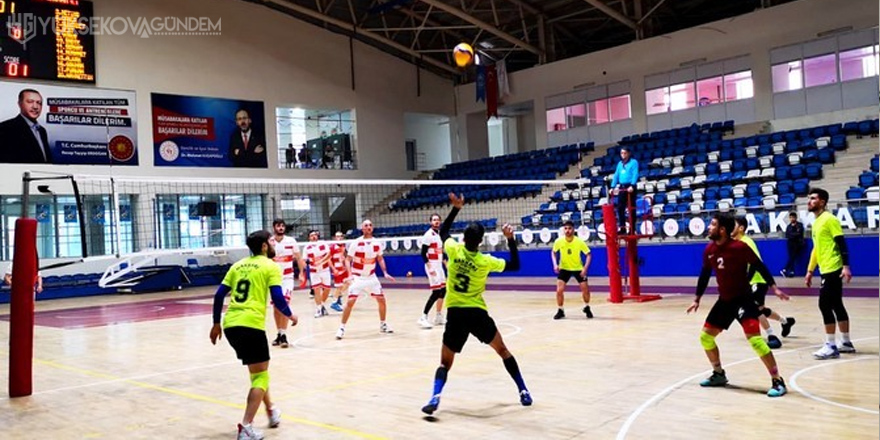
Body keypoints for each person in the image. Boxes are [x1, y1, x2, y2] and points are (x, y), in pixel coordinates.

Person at [421, 193, 531, 415]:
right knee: (503, 350)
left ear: (463, 239)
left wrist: (456, 208)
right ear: (480, 242)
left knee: (444, 363)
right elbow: (515, 265)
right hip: (477, 313)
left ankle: (435, 397)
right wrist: (510, 238)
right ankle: (523, 391)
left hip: (456, 315)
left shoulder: (453, 250)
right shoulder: (485, 261)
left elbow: (442, 233)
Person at [686, 214, 789, 398]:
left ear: (722, 230)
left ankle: (778, 380)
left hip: (744, 300)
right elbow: (704, 274)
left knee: (756, 341)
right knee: (705, 337)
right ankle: (718, 374)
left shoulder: (740, 247)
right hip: (724, 301)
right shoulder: (709, 249)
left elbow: (760, 266)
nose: (709, 227)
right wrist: (697, 298)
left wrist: (774, 288)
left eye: (713, 224)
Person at [210, 230, 298, 440]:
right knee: (261, 375)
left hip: (231, 325)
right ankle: (247, 426)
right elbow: (277, 297)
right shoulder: (271, 266)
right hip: (251, 325)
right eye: (270, 240)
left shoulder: (237, 265)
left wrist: (215, 324)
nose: (273, 243)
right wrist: (291, 315)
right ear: (265, 246)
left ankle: (271, 411)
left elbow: (219, 294)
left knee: (257, 372)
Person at [805, 188, 855, 360]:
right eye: (809, 198)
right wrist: (810, 270)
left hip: (833, 268)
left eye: (813, 198)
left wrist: (846, 266)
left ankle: (831, 345)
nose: (809, 201)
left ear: (822, 202)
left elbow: (841, 243)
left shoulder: (829, 219)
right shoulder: (816, 222)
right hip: (824, 269)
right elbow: (816, 249)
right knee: (836, 304)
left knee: (824, 305)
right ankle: (846, 343)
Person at [732, 217, 795, 349]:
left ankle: (771, 336)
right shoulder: (736, 243)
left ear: (741, 228)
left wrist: (747, 280)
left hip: (757, 280)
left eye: (734, 225)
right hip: (751, 281)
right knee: (760, 308)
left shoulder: (747, 242)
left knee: (754, 309)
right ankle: (785, 322)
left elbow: (756, 264)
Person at [335, 219, 395, 339]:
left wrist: (385, 272)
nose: (368, 227)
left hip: (372, 277)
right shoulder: (356, 243)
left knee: (381, 300)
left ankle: (383, 324)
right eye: (366, 225)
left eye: (370, 225)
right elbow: (348, 260)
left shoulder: (376, 243)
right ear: (362, 229)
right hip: (357, 277)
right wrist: (350, 274)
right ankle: (341, 327)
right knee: (350, 302)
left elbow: (380, 259)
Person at [268, 219, 305, 348]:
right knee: (276, 307)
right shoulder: (269, 242)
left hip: (287, 278)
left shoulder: (291, 241)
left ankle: (284, 335)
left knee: (284, 303)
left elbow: (299, 258)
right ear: (274, 228)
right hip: (273, 279)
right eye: (278, 226)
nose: (281, 228)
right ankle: (279, 333)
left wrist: (301, 273)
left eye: (283, 226)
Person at [550, 220, 593, 320]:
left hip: (578, 268)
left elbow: (588, 255)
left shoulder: (579, 242)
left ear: (573, 230)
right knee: (559, 290)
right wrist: (555, 264)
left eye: (569, 228)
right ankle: (560, 310)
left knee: (585, 290)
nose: (567, 230)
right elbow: (553, 252)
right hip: (564, 268)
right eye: (565, 228)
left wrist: (585, 268)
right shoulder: (559, 241)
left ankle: (587, 307)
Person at [0, 89, 52, 164]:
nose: (35, 106)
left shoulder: (42, 131)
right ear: (20, 104)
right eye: (30, 102)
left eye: (39, 103)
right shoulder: (5, 128)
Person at [418, 213, 447, 329]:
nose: (436, 221)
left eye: (438, 220)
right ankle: (423, 317)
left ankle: (438, 316)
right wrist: (429, 267)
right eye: (434, 220)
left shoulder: (440, 235)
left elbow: (442, 252)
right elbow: (423, 253)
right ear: (431, 222)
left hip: (439, 265)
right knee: (436, 292)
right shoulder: (428, 235)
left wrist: (446, 265)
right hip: (432, 265)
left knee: (443, 290)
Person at [303, 230, 332, 318]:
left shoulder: (323, 243)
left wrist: (320, 261)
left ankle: (322, 305)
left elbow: (329, 254)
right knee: (316, 290)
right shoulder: (306, 247)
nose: (314, 236)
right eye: (312, 235)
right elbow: (304, 259)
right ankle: (319, 308)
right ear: (309, 237)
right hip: (314, 271)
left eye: (315, 235)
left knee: (327, 289)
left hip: (325, 270)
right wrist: (309, 263)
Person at [610, 145, 638, 234]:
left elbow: (635, 174)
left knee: (631, 209)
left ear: (628, 153)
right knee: (620, 208)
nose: (623, 155)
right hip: (622, 187)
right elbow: (616, 175)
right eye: (621, 153)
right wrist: (612, 187)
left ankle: (632, 229)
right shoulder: (620, 164)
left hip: (630, 187)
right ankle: (622, 228)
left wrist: (632, 186)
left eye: (625, 153)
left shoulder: (634, 162)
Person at [328, 231, 349, 312]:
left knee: (348, 283)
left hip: (344, 269)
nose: (339, 238)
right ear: (335, 238)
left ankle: (339, 297)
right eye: (337, 236)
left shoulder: (344, 246)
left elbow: (345, 257)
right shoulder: (332, 247)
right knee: (339, 286)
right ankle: (334, 303)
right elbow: (328, 260)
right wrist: (333, 269)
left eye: (340, 236)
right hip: (337, 270)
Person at [782, 211, 805, 278]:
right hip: (790, 244)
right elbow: (787, 235)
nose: (792, 219)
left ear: (796, 218)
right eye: (791, 217)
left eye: (793, 217)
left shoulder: (799, 225)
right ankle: (790, 271)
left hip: (798, 244)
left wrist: (793, 235)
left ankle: (786, 269)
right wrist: (794, 234)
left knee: (793, 257)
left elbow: (799, 233)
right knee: (792, 257)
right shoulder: (788, 227)